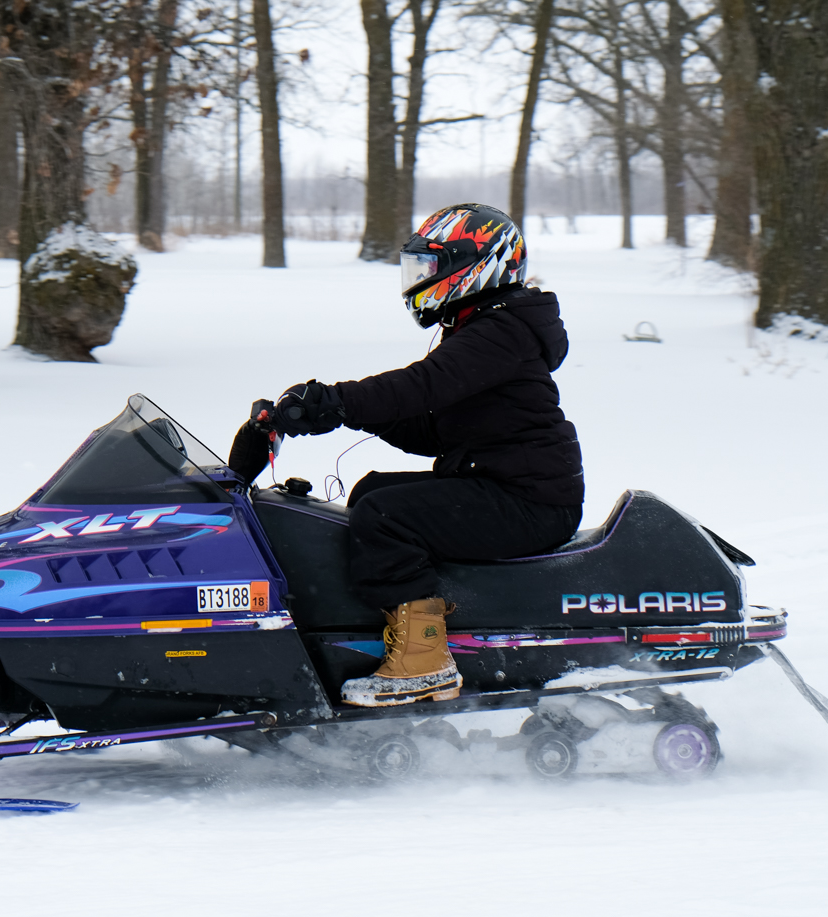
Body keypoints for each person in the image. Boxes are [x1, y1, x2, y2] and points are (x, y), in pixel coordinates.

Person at [229, 203, 584, 708]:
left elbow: (421, 387)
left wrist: (335, 400)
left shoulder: (503, 330)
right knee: (373, 492)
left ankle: (424, 661)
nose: (417, 281)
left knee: (386, 514)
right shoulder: (486, 326)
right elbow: (430, 427)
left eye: (429, 267)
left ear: (476, 264)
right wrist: (341, 414)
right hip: (504, 484)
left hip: (532, 501)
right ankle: (373, 630)